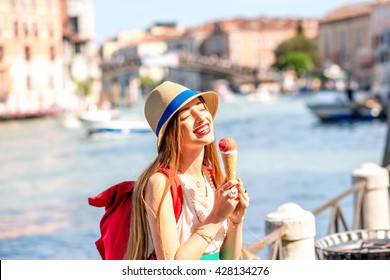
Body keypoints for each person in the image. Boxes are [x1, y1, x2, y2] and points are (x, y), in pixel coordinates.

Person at [124, 81, 249, 260]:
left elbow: (229, 261)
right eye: (186, 116)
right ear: (171, 133)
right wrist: (216, 216)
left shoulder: (212, 176)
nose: (201, 117)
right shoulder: (160, 183)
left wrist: (236, 219)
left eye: (201, 107)